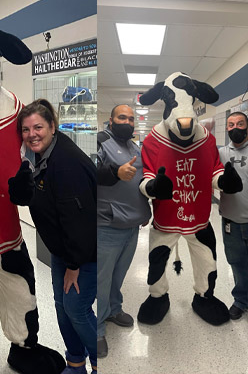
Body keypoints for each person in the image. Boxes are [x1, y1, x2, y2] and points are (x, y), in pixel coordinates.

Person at [8, 99, 97, 374]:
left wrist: (74, 265)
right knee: (61, 306)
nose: (32, 134)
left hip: (84, 253)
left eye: (38, 127)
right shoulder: (39, 157)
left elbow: (78, 220)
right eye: (26, 129)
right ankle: (75, 363)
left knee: (76, 308)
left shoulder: (66, 163)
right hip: (63, 250)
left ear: (52, 127)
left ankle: (100, 362)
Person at [96, 104, 151, 358]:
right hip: (107, 225)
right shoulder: (100, 142)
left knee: (118, 276)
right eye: (122, 117)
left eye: (131, 119)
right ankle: (96, 329)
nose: (127, 122)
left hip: (131, 226)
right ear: (111, 120)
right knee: (101, 278)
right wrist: (114, 172)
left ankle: (114, 309)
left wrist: (145, 209)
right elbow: (90, 173)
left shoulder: (134, 147)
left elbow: (140, 182)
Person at [219, 111, 248, 320]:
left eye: (239, 124)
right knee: (236, 262)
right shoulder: (221, 154)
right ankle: (241, 300)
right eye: (230, 125)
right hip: (230, 219)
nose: (235, 128)